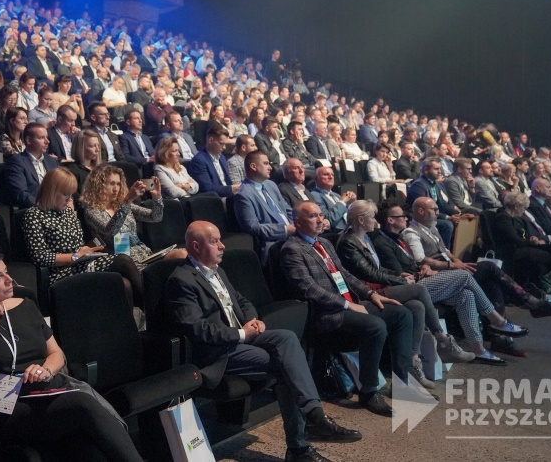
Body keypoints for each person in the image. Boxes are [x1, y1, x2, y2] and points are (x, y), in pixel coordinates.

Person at [165, 220, 362, 462]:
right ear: (195, 247)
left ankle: (313, 416)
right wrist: (241, 334)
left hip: (242, 338)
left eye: (220, 239)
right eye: (214, 241)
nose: (222, 246)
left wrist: (253, 320)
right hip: (219, 352)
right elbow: (195, 328)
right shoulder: (182, 280)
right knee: (286, 366)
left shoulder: (218, 271)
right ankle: (302, 444)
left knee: (287, 338)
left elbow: (242, 301)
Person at [0, 246, 144, 461]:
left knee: (86, 445)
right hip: (8, 402)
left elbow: (57, 354)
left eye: (6, 271)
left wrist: (45, 370)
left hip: (47, 388)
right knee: (83, 403)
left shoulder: (27, 305)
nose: (9, 279)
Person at [340, 200, 525, 368]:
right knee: (464, 276)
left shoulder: (368, 239)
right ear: (362, 220)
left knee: (465, 294)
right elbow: (371, 273)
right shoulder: (360, 241)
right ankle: (494, 321)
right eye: (372, 217)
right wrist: (407, 276)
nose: (375, 220)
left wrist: (414, 271)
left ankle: (478, 348)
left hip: (407, 280)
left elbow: (389, 268)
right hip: (381, 290)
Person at [280, 201, 414, 417]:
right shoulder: (292, 249)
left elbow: (345, 275)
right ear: (297, 221)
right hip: (328, 313)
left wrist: (371, 294)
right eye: (313, 216)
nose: (320, 220)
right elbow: (308, 289)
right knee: (376, 325)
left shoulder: (324, 243)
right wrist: (346, 304)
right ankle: (369, 392)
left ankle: (403, 382)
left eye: (320, 215)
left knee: (402, 314)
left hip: (351, 303)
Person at [22, 168, 142, 296]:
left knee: (124, 284)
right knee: (123, 260)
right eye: (65, 194)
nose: (69, 199)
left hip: (82, 264)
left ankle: (145, 310)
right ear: (51, 192)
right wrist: (76, 256)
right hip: (63, 272)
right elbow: (40, 257)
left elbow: (79, 246)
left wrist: (88, 250)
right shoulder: (33, 215)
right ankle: (151, 309)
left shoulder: (67, 212)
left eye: (71, 194)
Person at [83, 164, 187, 265]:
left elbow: (155, 217)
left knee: (182, 254)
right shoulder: (92, 210)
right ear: (99, 185)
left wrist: (157, 198)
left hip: (145, 256)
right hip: (123, 262)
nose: (116, 189)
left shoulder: (123, 205)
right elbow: (111, 231)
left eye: (118, 184)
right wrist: (127, 200)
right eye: (111, 183)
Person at [234, 150, 296, 264]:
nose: (270, 167)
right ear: (253, 166)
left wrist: (298, 224)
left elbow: (287, 210)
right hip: (273, 241)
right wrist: (285, 230)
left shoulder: (271, 184)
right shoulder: (243, 194)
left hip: (293, 234)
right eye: (266, 163)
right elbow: (252, 228)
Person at [4, 122, 60, 208]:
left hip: (56, 206)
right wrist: (44, 204)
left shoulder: (52, 161)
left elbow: (61, 185)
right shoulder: (16, 162)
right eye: (41, 138)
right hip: (34, 210)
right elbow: (21, 194)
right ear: (28, 140)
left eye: (47, 137)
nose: (47, 141)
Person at [189, 125, 238, 197]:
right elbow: (207, 189)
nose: (224, 147)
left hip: (229, 196)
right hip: (215, 199)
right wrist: (231, 189)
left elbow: (228, 181)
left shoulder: (222, 157)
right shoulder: (199, 161)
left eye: (225, 144)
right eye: (221, 144)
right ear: (211, 140)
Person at [309, 166, 355, 231]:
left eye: (332, 175)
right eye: (326, 174)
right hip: (337, 234)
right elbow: (328, 219)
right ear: (316, 179)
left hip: (351, 229)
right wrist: (342, 202)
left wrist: (352, 203)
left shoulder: (336, 195)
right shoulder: (314, 195)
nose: (331, 177)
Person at [64, 130, 102, 197]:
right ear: (81, 148)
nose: (97, 150)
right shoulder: (73, 171)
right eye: (92, 146)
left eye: (98, 145)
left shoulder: (100, 168)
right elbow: (74, 197)